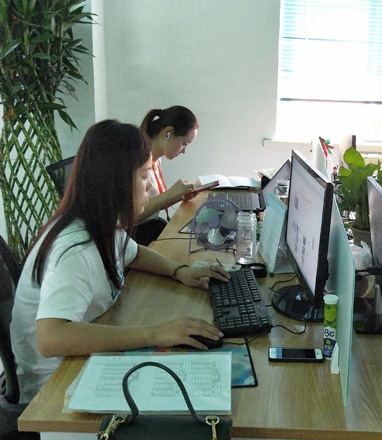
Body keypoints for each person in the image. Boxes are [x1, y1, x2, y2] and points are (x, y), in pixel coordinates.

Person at [10, 120, 230, 403]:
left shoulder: (103, 222)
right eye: (144, 176)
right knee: (187, 395)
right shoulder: (75, 248)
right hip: (54, 388)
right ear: (115, 181)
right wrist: (155, 333)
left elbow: (133, 252)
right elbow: (50, 338)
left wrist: (179, 271)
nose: (150, 186)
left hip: (84, 358)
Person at [136, 106, 200, 245]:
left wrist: (178, 196)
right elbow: (133, 217)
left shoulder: (157, 159)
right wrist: (169, 194)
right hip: (136, 236)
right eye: (184, 143)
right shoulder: (138, 161)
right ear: (168, 133)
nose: (184, 151)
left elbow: (153, 204)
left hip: (149, 228)